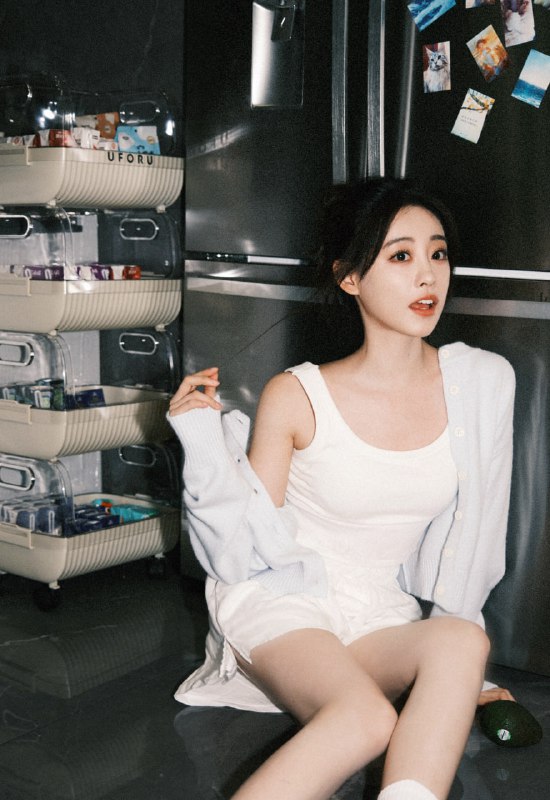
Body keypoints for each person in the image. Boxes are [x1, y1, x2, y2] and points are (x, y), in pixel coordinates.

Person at [168, 179, 516, 800]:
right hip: (283, 601)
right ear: (350, 277)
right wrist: (201, 441)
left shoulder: (483, 383)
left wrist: (460, 675)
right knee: (365, 719)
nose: (428, 276)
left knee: (465, 638)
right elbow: (240, 553)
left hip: (381, 613)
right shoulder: (297, 394)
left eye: (438, 253)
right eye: (401, 255)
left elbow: (481, 533)